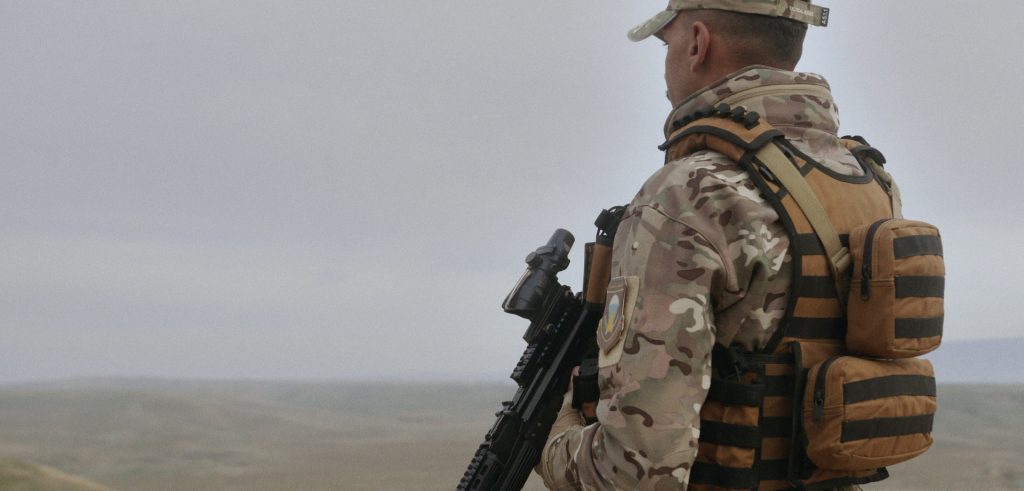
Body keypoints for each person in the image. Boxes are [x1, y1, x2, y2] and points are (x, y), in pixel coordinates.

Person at [538, 1, 883, 489]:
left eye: (667, 43)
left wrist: (552, 437)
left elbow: (635, 473)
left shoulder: (687, 193)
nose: (665, 65)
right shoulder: (866, 181)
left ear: (698, 43)